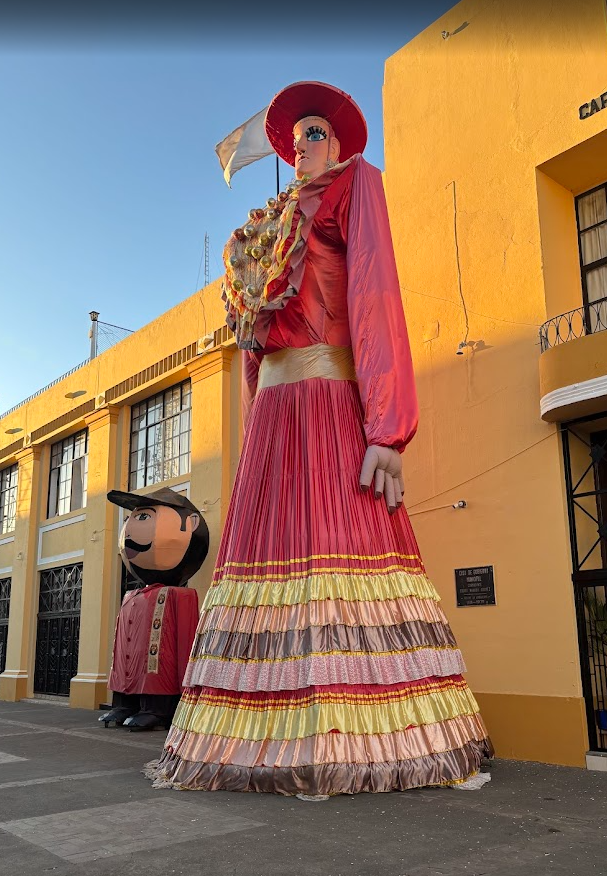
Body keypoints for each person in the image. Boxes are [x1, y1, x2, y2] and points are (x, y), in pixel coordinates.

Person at [145, 81, 493, 793]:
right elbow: (253, 350)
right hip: (275, 422)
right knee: (271, 572)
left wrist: (387, 426)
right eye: (297, 136)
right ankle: (262, 745)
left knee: (343, 556)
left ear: (336, 145)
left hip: (332, 404)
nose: (302, 145)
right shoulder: (265, 229)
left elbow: (375, 292)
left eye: (314, 133)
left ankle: (363, 745)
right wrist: (255, 437)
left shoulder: (354, 187)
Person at [100, 487, 208, 731]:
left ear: (191, 524)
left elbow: (185, 641)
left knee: (158, 668)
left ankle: (157, 710)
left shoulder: (179, 595)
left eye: (144, 517)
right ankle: (125, 703)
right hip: (131, 663)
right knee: (126, 664)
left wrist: (187, 682)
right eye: (131, 519)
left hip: (162, 670)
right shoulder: (133, 595)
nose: (130, 529)